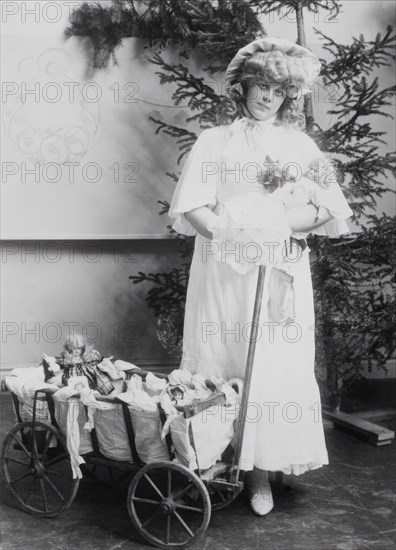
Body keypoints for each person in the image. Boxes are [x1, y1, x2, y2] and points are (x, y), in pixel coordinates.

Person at [168, 37, 353, 516]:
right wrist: (230, 236)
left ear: (289, 93)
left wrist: (274, 227)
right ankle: (206, 460)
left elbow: (328, 207)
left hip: (279, 269)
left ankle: (260, 473)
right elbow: (190, 206)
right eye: (260, 85)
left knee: (270, 361)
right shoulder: (215, 141)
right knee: (221, 354)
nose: (268, 97)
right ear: (242, 86)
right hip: (225, 268)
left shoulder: (301, 145)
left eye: (278, 89)